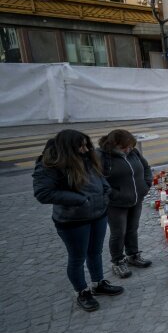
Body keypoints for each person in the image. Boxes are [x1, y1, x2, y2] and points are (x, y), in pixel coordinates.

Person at [33, 130, 124, 312]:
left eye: (86, 144)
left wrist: (106, 191)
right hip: (73, 220)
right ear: (68, 148)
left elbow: (98, 176)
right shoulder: (51, 164)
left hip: (98, 213)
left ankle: (98, 283)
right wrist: (79, 199)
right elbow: (43, 193)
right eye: (80, 146)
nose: (85, 149)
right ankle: (82, 292)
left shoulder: (87, 156)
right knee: (77, 258)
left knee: (95, 252)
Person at [98, 130, 153, 279]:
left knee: (132, 229)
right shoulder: (103, 157)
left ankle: (133, 255)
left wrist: (146, 185)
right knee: (118, 233)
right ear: (114, 145)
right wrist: (114, 194)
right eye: (124, 147)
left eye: (130, 146)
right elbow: (99, 181)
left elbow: (146, 168)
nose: (128, 150)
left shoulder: (133, 152)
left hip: (136, 199)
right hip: (116, 203)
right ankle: (118, 261)